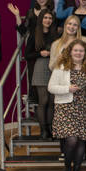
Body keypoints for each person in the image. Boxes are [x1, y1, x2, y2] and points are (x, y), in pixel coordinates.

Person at [48, 39, 86, 171]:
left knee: (81, 142)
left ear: (85, 53)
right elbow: (51, 87)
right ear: (70, 51)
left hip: (83, 109)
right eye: (75, 50)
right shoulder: (61, 67)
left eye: (81, 51)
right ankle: (67, 170)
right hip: (65, 108)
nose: (78, 53)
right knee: (71, 140)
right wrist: (67, 89)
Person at [25, 9, 57, 139]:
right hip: (40, 66)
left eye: (50, 18)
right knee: (43, 100)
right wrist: (40, 53)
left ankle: (50, 128)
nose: (48, 20)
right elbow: (27, 54)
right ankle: (43, 130)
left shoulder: (55, 34)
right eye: (45, 18)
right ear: (41, 19)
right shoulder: (34, 34)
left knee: (51, 101)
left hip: (53, 68)